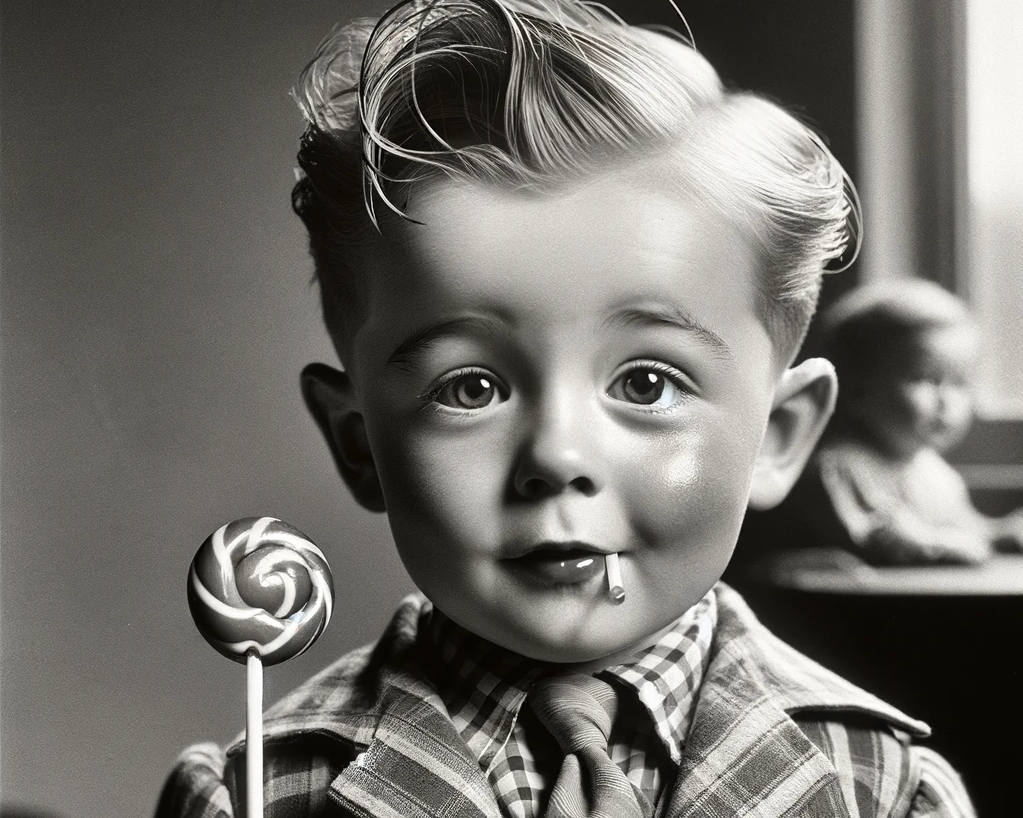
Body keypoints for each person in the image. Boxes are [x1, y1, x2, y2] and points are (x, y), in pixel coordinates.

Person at [155, 2, 975, 816]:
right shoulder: (250, 797)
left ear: (780, 435)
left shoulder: (890, 791)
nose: (556, 455)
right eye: (469, 388)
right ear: (358, 442)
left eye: (646, 383)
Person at [808, 279, 1023, 565]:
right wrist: (942, 547)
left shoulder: (932, 471)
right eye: (925, 378)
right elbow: (879, 538)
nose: (947, 400)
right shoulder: (841, 467)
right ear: (856, 388)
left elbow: (967, 529)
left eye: (960, 383)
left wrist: (1000, 533)